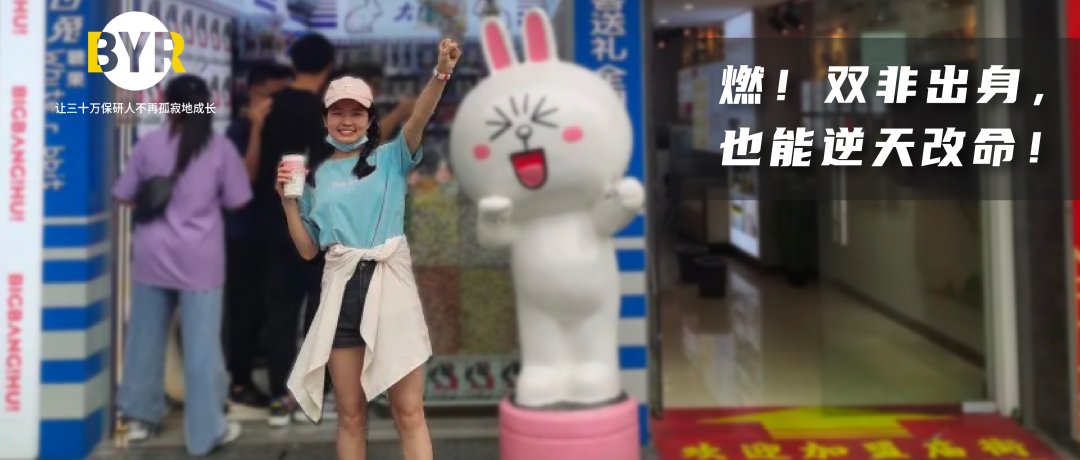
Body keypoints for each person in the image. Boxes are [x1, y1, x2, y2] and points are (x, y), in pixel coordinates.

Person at [278, 39, 461, 460]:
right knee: (350, 415)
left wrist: (442, 72)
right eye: (338, 112)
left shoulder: (393, 157)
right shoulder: (318, 177)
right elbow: (308, 250)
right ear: (325, 119)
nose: (347, 121)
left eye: (356, 112)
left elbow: (420, 115)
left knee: (409, 412)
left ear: (370, 118)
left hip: (389, 286)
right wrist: (288, 202)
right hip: (339, 294)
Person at [112, 75, 251, 455]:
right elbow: (238, 200)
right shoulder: (220, 149)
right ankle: (205, 432)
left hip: (152, 257)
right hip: (200, 261)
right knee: (202, 346)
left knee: (144, 339)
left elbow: (124, 196)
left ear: (166, 104)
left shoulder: (149, 145)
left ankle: (139, 418)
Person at [248, 33, 337, 427]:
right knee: (319, 314)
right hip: (320, 225)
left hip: (275, 222)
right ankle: (309, 399)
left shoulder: (269, 107)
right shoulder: (329, 111)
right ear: (328, 67)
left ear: (293, 64)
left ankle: (278, 400)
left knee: (280, 313)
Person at [222, 63, 291, 415]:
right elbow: (246, 175)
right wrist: (256, 127)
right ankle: (239, 383)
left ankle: (254, 375)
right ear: (254, 93)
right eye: (271, 95)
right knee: (244, 311)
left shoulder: (278, 128)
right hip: (242, 235)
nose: (276, 103)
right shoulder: (238, 130)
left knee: (264, 309)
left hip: (267, 233)